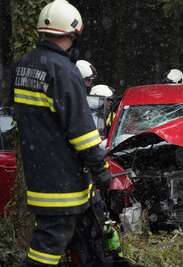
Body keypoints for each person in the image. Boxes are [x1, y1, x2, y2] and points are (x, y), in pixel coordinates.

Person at [11, 0, 113, 265]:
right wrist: (100, 168)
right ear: (71, 34)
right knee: (50, 243)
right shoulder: (64, 71)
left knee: (66, 238)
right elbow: (81, 131)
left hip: (39, 173)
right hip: (62, 180)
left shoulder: (24, 65)